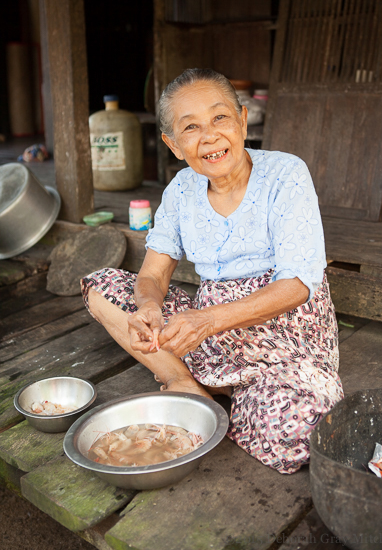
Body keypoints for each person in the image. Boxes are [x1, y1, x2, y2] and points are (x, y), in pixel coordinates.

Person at [82, 68, 344, 474]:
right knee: (102, 286)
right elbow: (151, 274)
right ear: (172, 144)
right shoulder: (180, 191)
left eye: (220, 118)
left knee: (299, 432)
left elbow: (296, 285)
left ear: (242, 121)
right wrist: (149, 306)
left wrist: (206, 320)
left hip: (284, 343)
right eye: (191, 127)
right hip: (207, 335)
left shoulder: (285, 174)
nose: (209, 136)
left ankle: (239, 392)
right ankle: (186, 385)